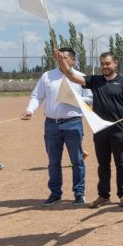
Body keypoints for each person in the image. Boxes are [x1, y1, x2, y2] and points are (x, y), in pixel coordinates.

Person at [55, 50, 123, 208]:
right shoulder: (95, 80)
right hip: (99, 130)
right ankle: (103, 195)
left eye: (107, 63)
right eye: (102, 64)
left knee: (121, 162)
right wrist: (61, 60)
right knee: (103, 164)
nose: (104, 66)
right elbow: (71, 75)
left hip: (119, 130)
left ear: (115, 63)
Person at [22, 47, 92, 206]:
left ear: (73, 60)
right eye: (59, 57)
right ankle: (55, 193)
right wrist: (30, 110)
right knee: (53, 162)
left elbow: (90, 99)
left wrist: (75, 99)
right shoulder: (47, 76)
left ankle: (79, 193)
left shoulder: (80, 77)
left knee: (77, 161)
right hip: (51, 125)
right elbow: (37, 96)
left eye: (65, 57)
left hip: (73, 124)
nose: (61, 59)